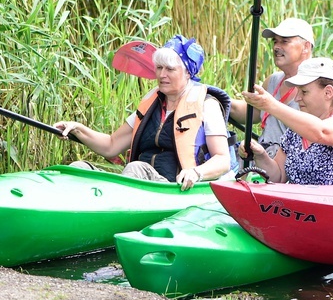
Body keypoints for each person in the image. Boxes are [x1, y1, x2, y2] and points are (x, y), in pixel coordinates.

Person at [55, 35, 234, 191]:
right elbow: (111, 145)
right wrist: (77, 129)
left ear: (188, 73)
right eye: (159, 68)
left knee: (136, 168)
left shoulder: (207, 105)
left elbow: (222, 160)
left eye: (170, 69)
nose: (162, 75)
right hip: (135, 182)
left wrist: (196, 172)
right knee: (79, 168)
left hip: (171, 187)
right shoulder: (151, 105)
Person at [242, 57, 333, 185]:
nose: (297, 98)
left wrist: (271, 105)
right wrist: (260, 155)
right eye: (297, 91)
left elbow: (321, 132)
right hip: (299, 203)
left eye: (304, 92)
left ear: (328, 92)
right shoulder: (294, 132)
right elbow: (278, 177)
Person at [230, 17, 315, 157]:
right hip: (265, 161)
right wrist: (218, 98)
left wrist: (271, 105)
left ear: (305, 47)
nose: (276, 47)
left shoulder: (317, 85)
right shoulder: (273, 80)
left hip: (291, 167)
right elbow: (252, 113)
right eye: (275, 41)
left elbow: (315, 130)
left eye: (284, 41)